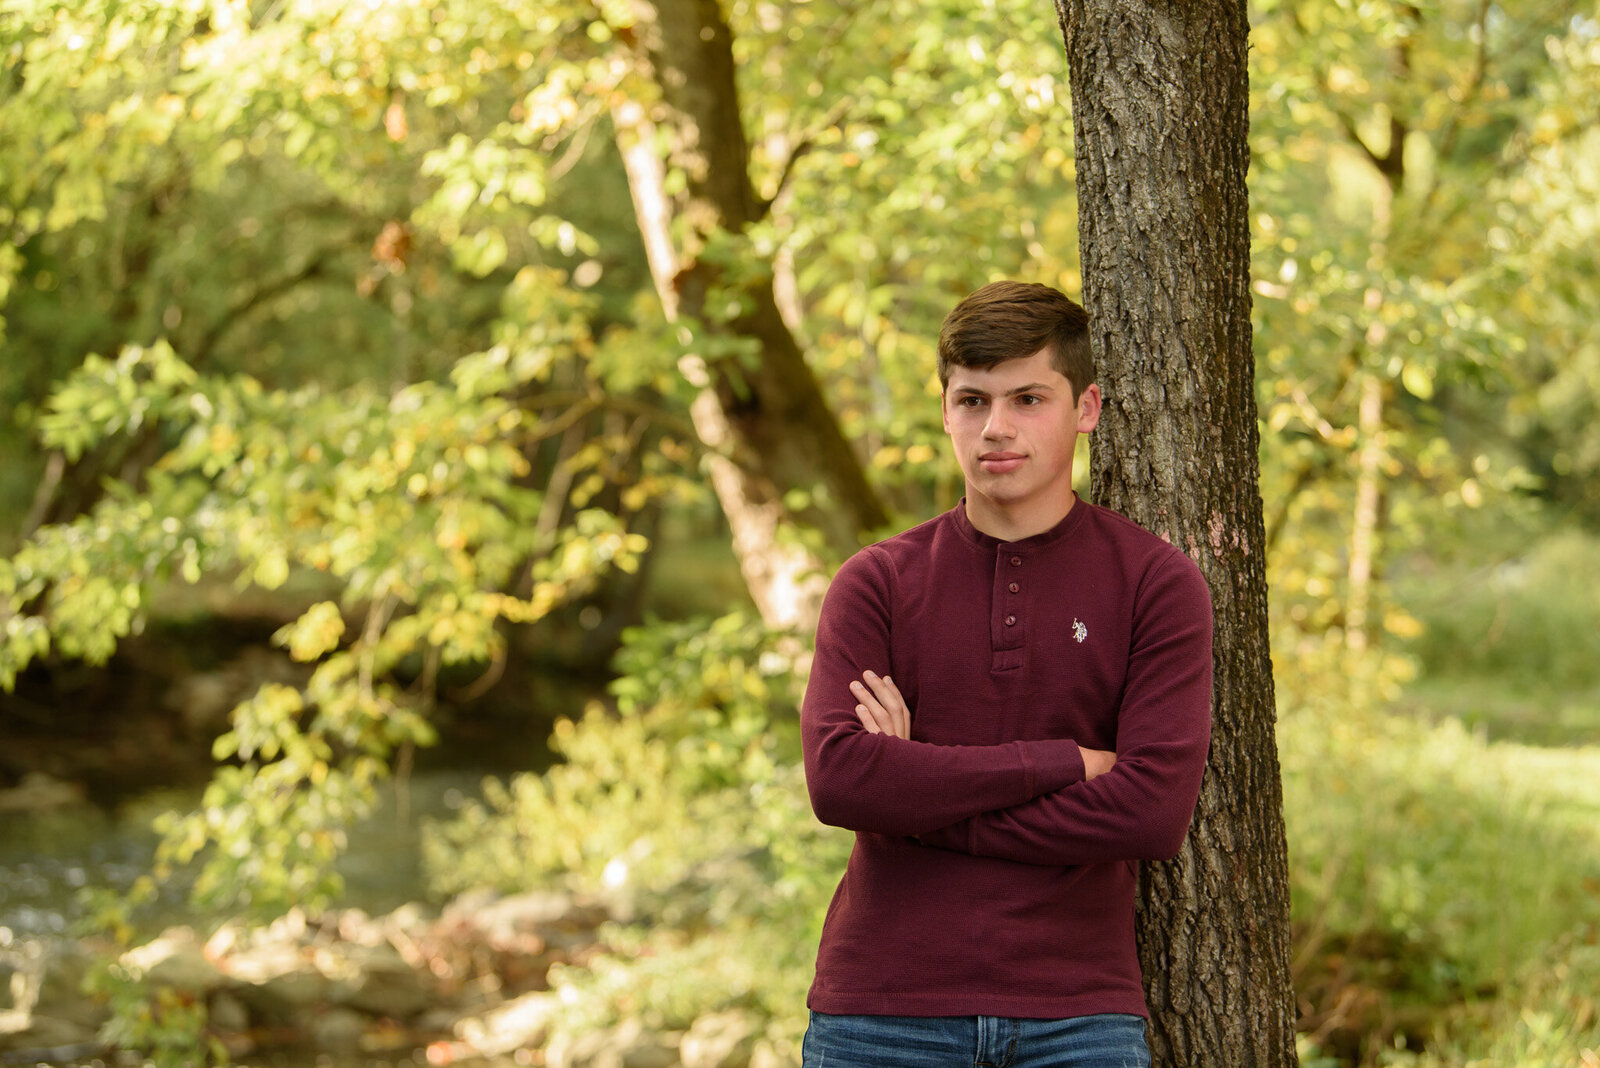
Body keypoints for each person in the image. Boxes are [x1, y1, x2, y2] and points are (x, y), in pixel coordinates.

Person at [798, 281, 1214, 1067]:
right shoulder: (877, 582)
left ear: (1085, 407)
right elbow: (843, 784)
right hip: (882, 1012)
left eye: (1028, 398)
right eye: (972, 401)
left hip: (1077, 1018)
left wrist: (912, 792)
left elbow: (1151, 815)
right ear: (946, 409)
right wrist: (1061, 763)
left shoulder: (1155, 583)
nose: (996, 428)